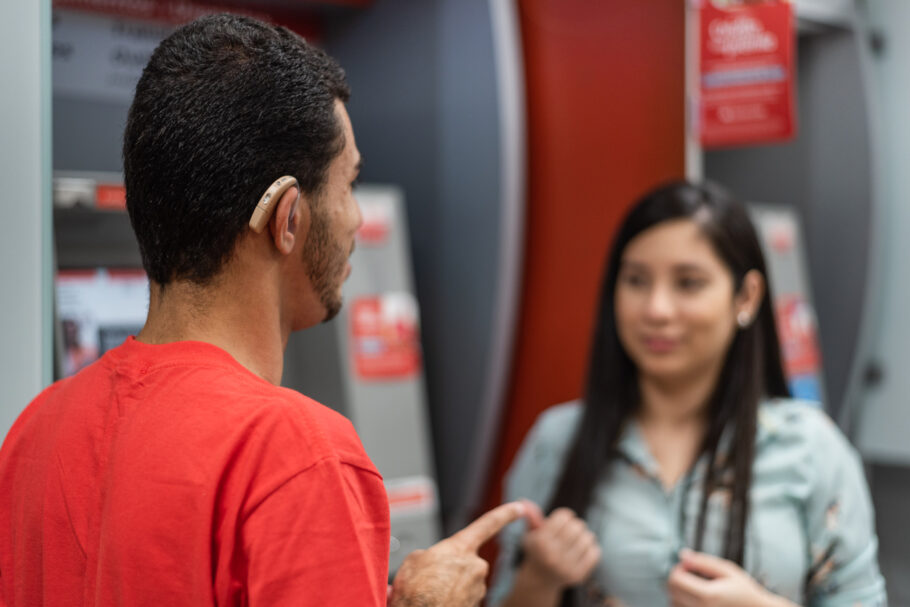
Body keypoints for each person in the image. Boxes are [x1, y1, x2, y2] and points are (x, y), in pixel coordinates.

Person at [0, 14, 537, 607]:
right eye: (349, 184)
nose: (358, 219)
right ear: (287, 218)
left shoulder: (34, 432)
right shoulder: (298, 454)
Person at [488, 181, 886, 607]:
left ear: (746, 296)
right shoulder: (559, 440)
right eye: (636, 280)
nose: (656, 309)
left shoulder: (811, 448)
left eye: (688, 283)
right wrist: (538, 579)